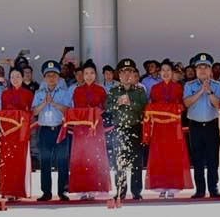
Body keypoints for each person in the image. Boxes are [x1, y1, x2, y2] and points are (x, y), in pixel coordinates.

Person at [145, 60, 194, 198]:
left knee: (173, 155)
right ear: (159, 73)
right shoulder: (155, 88)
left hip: (173, 126)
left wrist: (171, 108)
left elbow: (182, 106)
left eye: (168, 70)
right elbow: (151, 106)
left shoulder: (178, 88)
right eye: (163, 70)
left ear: (172, 73)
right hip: (159, 128)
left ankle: (173, 186)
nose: (165, 73)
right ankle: (160, 186)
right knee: (160, 155)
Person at [66, 59, 112, 196]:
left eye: (92, 73)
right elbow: (75, 109)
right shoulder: (77, 90)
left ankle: (96, 187)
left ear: (95, 75)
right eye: (86, 73)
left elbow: (105, 108)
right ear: (82, 75)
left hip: (96, 127)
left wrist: (96, 112)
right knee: (81, 155)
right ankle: (82, 188)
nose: (89, 76)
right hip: (81, 128)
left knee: (96, 155)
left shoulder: (101, 90)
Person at [107, 58, 150, 200]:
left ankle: (136, 191)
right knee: (119, 161)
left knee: (137, 161)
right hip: (119, 129)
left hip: (135, 128)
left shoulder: (139, 91)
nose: (127, 75)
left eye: (130, 72)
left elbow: (145, 108)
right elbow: (107, 108)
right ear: (119, 75)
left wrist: (131, 103)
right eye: (124, 72)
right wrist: (117, 103)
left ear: (134, 74)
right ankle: (120, 190)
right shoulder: (113, 91)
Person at [183, 52, 220, 199]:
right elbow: (186, 103)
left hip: (211, 125)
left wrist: (210, 91)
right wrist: (201, 91)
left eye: (205, 67)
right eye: (199, 67)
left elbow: (218, 105)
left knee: (213, 158)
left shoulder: (217, 85)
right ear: (195, 70)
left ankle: (213, 188)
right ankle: (200, 189)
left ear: (210, 70)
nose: (202, 70)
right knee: (197, 158)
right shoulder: (189, 85)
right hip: (195, 126)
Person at [32, 60, 73, 201]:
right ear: (44, 77)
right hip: (44, 130)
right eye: (48, 75)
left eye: (54, 75)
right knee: (45, 161)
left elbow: (68, 110)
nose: (51, 78)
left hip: (60, 129)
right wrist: (45, 102)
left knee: (62, 160)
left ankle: (63, 191)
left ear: (58, 77)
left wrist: (54, 103)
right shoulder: (39, 93)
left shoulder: (64, 93)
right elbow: (34, 112)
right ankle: (46, 192)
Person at [0, 67, 33, 200]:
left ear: (22, 78)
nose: (15, 79)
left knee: (20, 162)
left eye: (18, 76)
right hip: (7, 134)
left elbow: (30, 113)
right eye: (12, 77)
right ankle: (6, 190)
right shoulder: (5, 94)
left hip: (21, 133)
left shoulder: (28, 94)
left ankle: (19, 191)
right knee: (7, 161)